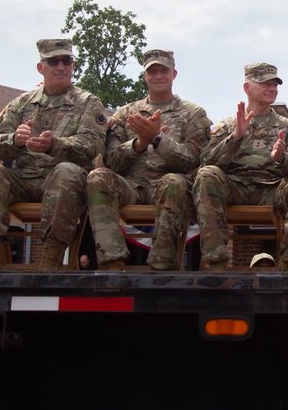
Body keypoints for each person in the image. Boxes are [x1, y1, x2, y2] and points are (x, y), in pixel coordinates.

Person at [0, 39, 107, 271]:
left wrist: (55, 144)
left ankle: (50, 261)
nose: (61, 66)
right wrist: (15, 140)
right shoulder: (22, 103)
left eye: (67, 61)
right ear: (41, 67)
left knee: (65, 171)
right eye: (54, 61)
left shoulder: (88, 103)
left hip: (66, 181)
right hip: (23, 179)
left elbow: (93, 143)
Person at [87, 48, 211, 271]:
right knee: (98, 177)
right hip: (131, 187)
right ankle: (112, 261)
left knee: (173, 181)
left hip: (169, 188)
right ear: (145, 76)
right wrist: (139, 144)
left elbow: (193, 160)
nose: (158, 76)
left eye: (163, 70)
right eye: (152, 71)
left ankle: (161, 265)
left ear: (174, 74)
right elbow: (111, 162)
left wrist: (158, 139)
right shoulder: (126, 113)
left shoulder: (193, 114)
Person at [192, 63, 288, 271]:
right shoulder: (229, 124)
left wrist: (281, 158)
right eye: (265, 83)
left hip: (273, 188)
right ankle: (215, 263)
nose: (272, 88)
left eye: (275, 84)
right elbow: (206, 160)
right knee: (206, 175)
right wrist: (235, 138)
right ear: (247, 87)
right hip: (235, 187)